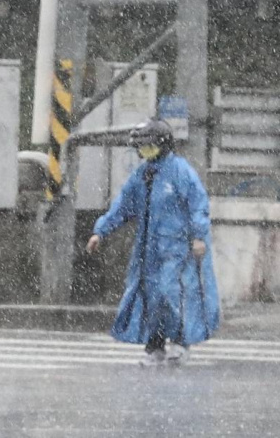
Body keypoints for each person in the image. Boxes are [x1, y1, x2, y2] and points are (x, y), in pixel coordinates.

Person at [86, 119, 220, 366]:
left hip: (177, 249)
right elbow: (123, 206)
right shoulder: (142, 175)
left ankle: (180, 342)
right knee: (151, 298)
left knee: (173, 294)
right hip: (148, 250)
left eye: (148, 145)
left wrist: (199, 237)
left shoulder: (180, 171)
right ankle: (156, 346)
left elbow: (198, 205)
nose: (143, 152)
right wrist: (101, 231)